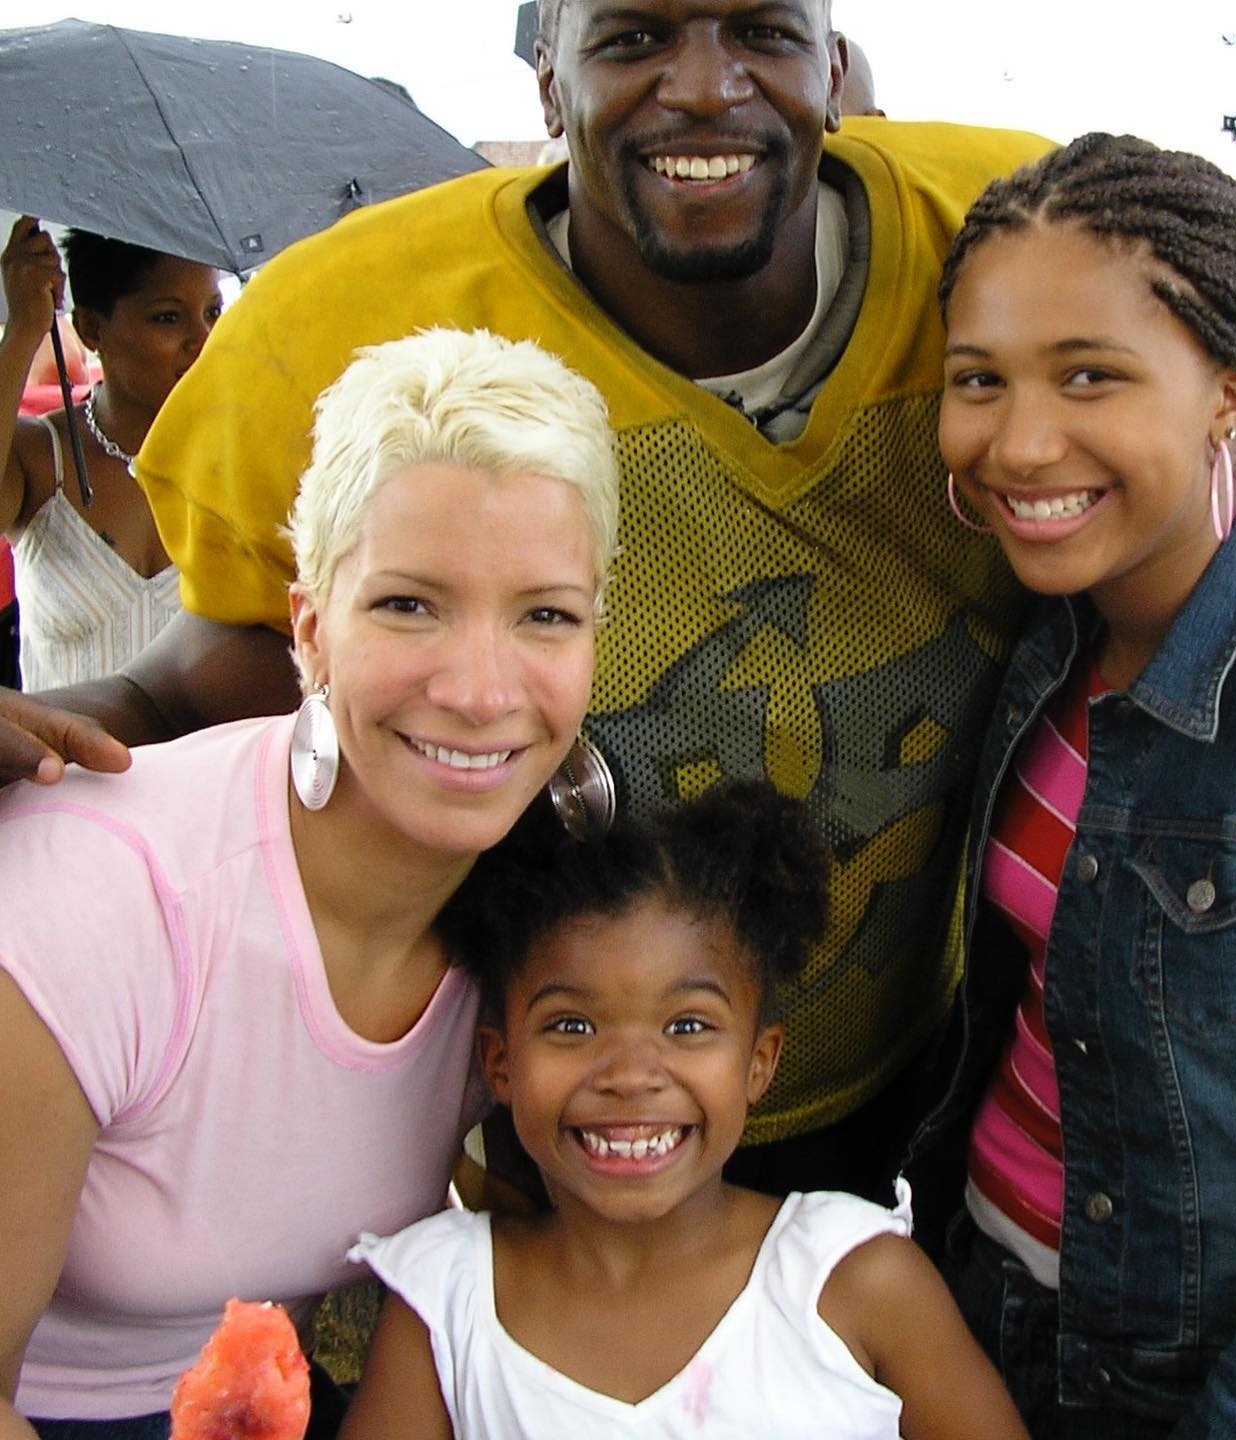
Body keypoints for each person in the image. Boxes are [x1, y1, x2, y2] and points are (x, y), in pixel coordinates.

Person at [0, 0, 1051, 1200]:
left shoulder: (1000, 241)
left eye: (761, 29)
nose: (705, 86)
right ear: (546, 85)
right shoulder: (351, 326)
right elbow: (198, 682)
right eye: (634, 39)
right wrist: (39, 733)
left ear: (834, 64)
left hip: (928, 1094)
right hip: (539, 1136)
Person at [902, 132, 1236, 1438]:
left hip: (1191, 1393)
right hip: (968, 1309)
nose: (1020, 443)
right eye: (981, 379)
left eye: (1090, 376)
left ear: (1231, 392)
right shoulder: (1040, 637)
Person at [0, 325, 621, 1438]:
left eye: (544, 616)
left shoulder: (541, 907)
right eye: (408, 605)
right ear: (310, 631)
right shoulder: (104, 896)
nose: (481, 691)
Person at [339, 781, 1030, 1440]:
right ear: (500, 1064)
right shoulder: (444, 1307)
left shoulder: (853, 1282)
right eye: (573, 1026)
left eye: (689, 1026)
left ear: (759, 1062)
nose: (632, 1076)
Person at [0, 218, 223, 691]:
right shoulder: (42, 458)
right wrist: (23, 330)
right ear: (91, 328)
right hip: (62, 765)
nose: (201, 341)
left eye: (212, 313)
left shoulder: (244, 460)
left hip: (214, 765)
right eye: (168, 316)